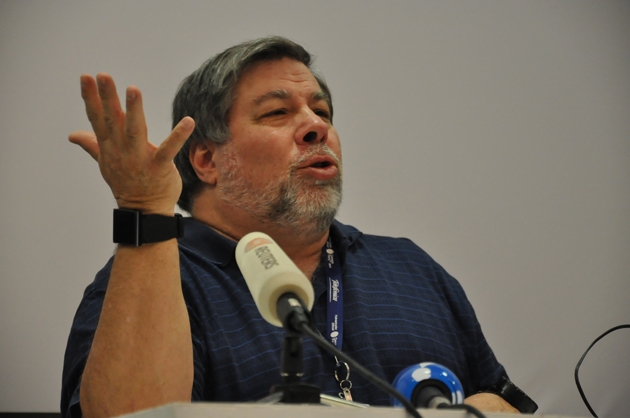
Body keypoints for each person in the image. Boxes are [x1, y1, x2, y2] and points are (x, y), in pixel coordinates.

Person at [61, 36, 530, 418]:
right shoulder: (152, 277)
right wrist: (144, 210)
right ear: (206, 160)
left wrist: (491, 408)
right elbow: (131, 416)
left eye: (321, 112)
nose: (315, 127)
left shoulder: (412, 267)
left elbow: (501, 399)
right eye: (277, 113)